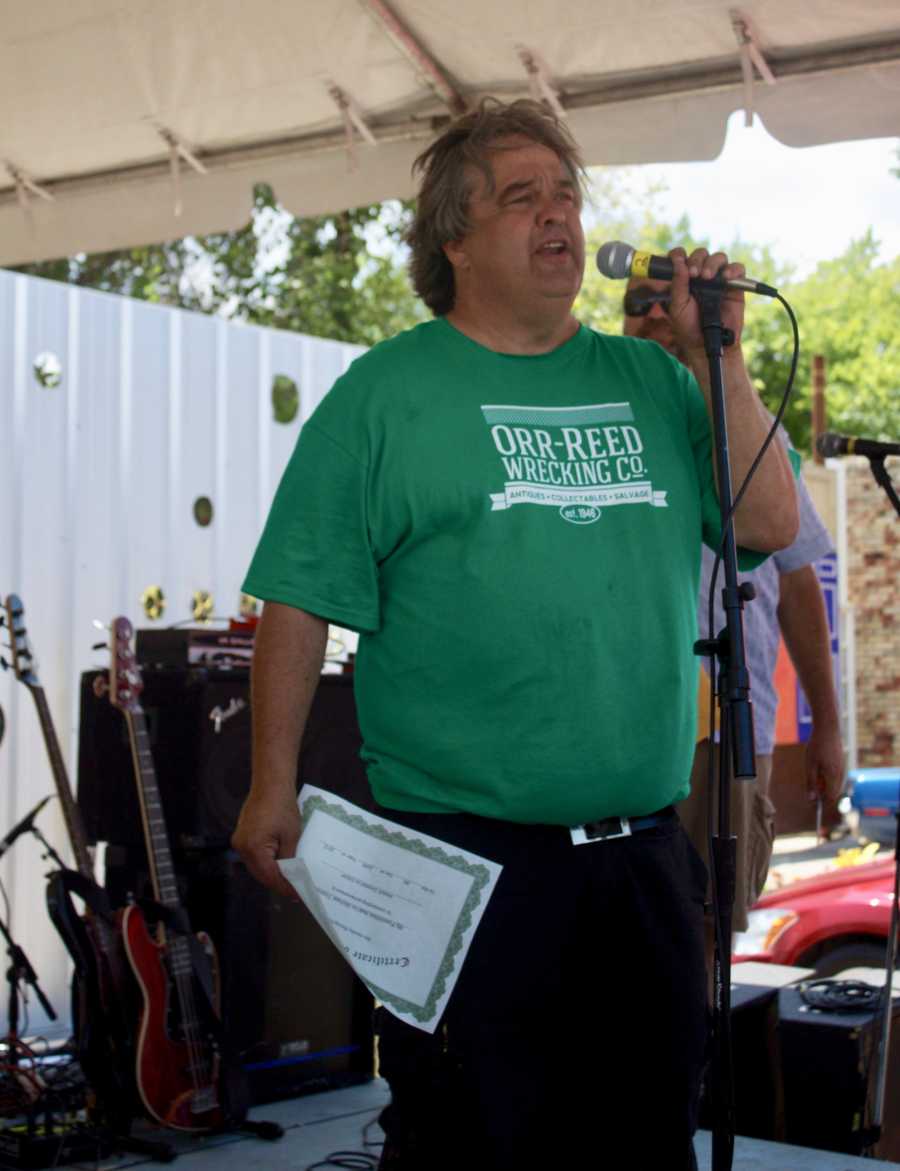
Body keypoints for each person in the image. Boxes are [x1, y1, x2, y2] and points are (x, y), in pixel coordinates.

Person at [232, 99, 798, 1170]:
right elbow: (298, 597)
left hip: (641, 860)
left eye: (568, 194)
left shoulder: (653, 384)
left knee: (643, 1141)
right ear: (454, 237)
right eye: (521, 196)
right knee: (469, 1141)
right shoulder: (386, 396)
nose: (559, 217)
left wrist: (714, 353)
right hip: (465, 864)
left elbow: (769, 522)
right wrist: (270, 782)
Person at [622, 276, 844, 955]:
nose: (657, 314)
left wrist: (829, 726)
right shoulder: (601, 428)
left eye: (672, 300)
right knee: (625, 937)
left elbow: (801, 585)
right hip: (619, 727)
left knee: (709, 936)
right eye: (640, 304)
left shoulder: (754, 433)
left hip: (722, 725)